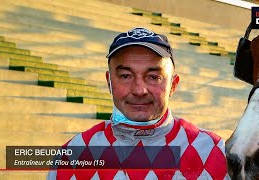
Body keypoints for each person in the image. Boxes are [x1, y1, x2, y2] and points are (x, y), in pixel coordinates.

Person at [48, 27, 228, 179]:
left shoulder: (214, 152)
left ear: (173, 85)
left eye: (153, 77)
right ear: (109, 82)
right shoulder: (73, 154)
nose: (139, 90)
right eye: (126, 76)